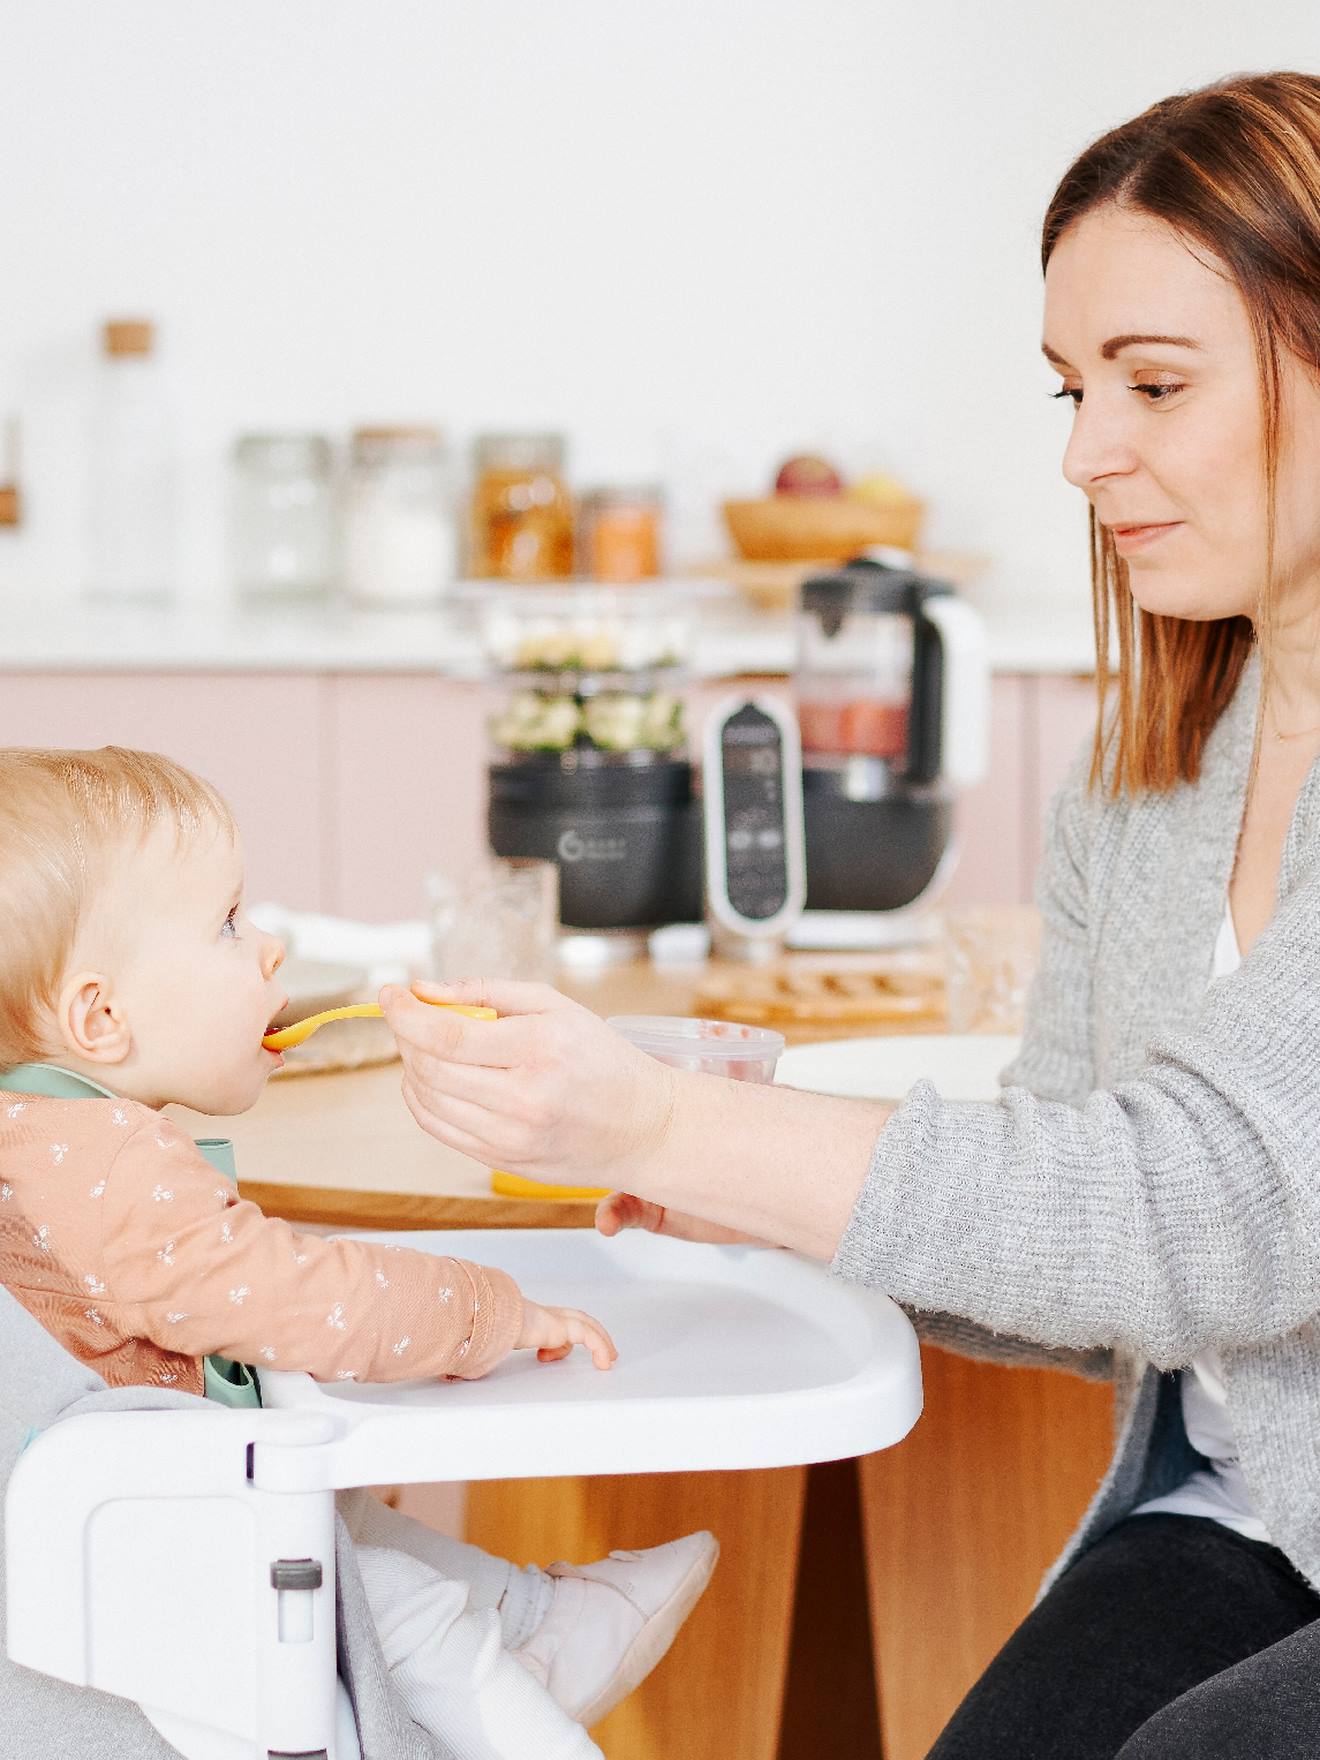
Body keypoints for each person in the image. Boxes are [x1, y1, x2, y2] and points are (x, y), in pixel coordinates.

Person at [378, 70, 1320, 1759]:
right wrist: (747, 1181)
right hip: (1256, 1512)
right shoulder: (1152, 770)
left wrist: (672, 1118)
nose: (1084, 451)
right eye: (1074, 386)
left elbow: (1209, 1207)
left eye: (1155, 385)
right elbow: (1093, 1251)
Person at [0, 745, 717, 1760]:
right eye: (228, 923)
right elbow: (293, 1298)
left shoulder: (41, 1135)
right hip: (142, 1555)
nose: (271, 948)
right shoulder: (104, 1164)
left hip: (126, 1527)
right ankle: (539, 1695)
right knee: (397, 1603)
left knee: (353, 1528)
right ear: (100, 1016)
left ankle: (540, 1618)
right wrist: (487, 1311)